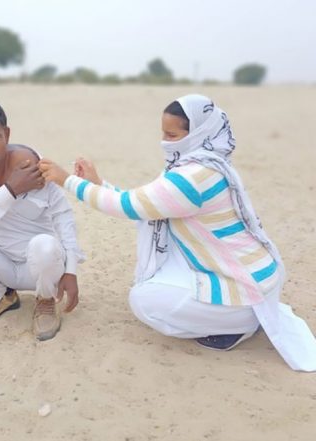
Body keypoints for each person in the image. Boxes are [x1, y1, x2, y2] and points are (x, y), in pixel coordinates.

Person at [39, 94, 316, 371]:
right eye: (163, 133)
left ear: (198, 132)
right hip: (254, 277)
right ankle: (240, 317)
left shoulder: (193, 178)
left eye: (172, 135)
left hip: (247, 290)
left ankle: (240, 324)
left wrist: (67, 180)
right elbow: (148, 205)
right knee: (162, 279)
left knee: (144, 301)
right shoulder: (208, 164)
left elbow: (131, 206)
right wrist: (97, 183)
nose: (165, 142)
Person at [0, 98, 84, 341]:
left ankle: (45, 302)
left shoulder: (32, 163)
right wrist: (10, 190)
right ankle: (0, 298)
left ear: (6, 134)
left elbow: (64, 217)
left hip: (43, 268)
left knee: (45, 245)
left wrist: (70, 271)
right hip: (2, 263)